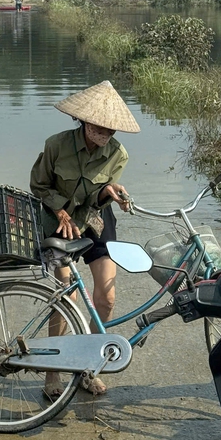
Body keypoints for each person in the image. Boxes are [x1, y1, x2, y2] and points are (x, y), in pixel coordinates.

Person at [30, 80, 140, 397]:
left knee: (106, 298)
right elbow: (39, 186)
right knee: (68, 296)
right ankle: (52, 373)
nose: (105, 133)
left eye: (111, 130)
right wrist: (62, 212)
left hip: (95, 222)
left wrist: (110, 193)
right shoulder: (56, 145)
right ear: (84, 120)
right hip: (55, 222)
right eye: (99, 126)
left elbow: (99, 195)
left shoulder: (118, 155)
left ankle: (86, 366)